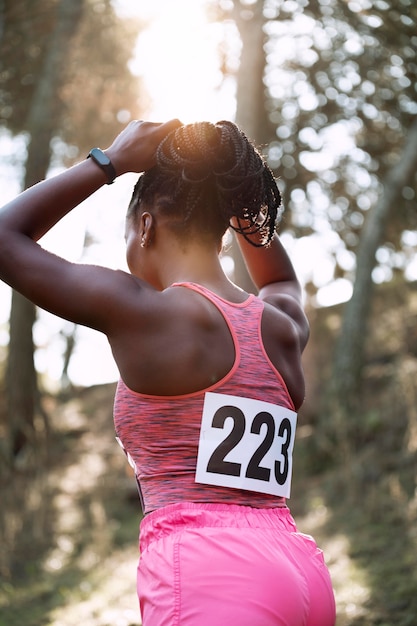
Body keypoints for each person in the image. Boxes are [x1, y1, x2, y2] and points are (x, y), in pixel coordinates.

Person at [0, 119, 336, 625]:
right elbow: (282, 278)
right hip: (298, 566)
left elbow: (6, 238)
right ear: (228, 228)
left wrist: (109, 161)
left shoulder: (146, 313)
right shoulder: (281, 327)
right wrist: (232, 197)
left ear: (146, 225)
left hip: (210, 573)